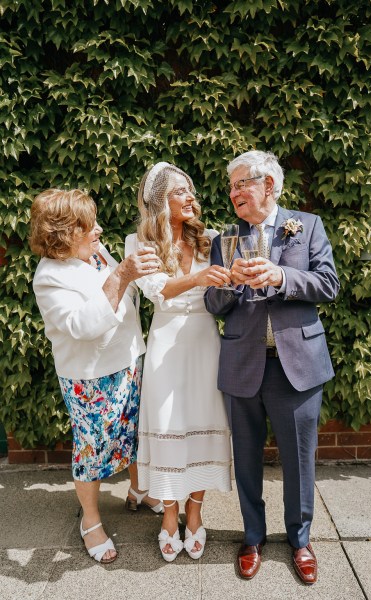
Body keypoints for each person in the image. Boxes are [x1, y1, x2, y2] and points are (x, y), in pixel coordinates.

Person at [204, 150, 340, 584]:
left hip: (296, 365)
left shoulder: (307, 226)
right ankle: (253, 537)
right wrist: (230, 282)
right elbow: (213, 303)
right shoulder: (224, 237)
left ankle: (300, 540)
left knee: (300, 460)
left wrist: (281, 277)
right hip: (243, 362)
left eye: (241, 183)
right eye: (231, 187)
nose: (234, 193)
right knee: (245, 457)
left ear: (269, 185)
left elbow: (328, 284)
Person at [30, 188, 163, 565]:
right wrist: (122, 272)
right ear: (63, 233)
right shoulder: (49, 277)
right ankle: (90, 521)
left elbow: (128, 294)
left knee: (135, 431)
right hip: (90, 378)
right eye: (89, 227)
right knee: (94, 448)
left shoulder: (95, 252)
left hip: (128, 360)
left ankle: (139, 491)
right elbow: (83, 326)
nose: (99, 231)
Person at [125, 162, 232, 562]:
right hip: (166, 342)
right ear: (158, 201)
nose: (191, 198)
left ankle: (194, 511)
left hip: (206, 341)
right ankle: (169, 515)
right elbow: (158, 292)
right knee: (168, 423)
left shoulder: (210, 240)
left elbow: (226, 289)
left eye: (191, 191)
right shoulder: (138, 244)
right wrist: (199, 280)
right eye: (180, 192)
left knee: (203, 421)